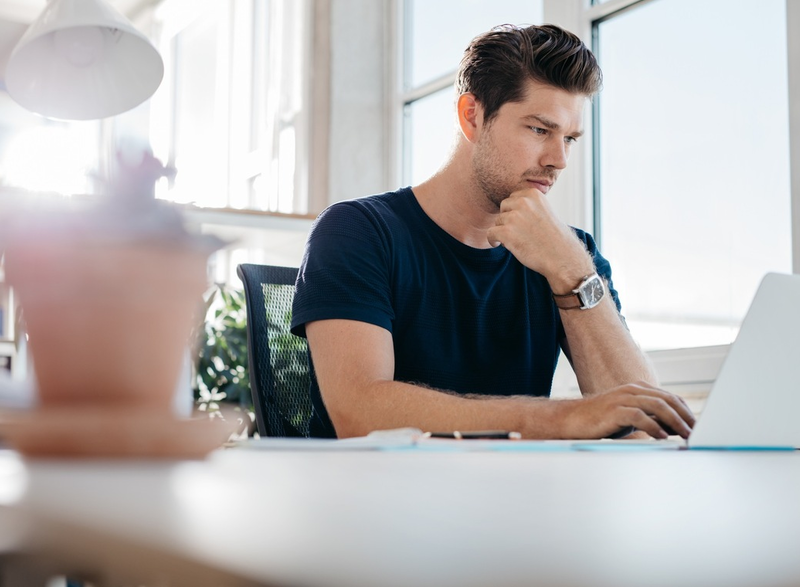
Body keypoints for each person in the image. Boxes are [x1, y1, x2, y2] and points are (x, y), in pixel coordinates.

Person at [291, 23, 695, 440]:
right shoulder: (359, 232)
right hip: (379, 498)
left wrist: (571, 271)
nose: (559, 160)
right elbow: (359, 413)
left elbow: (645, 425)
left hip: (514, 499)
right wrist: (557, 419)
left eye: (570, 138)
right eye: (540, 130)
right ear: (473, 117)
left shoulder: (568, 253)